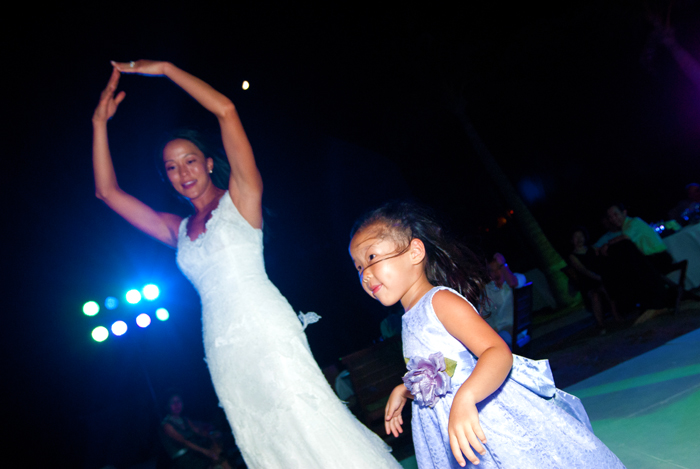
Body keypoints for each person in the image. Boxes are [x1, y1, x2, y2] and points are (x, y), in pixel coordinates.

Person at [93, 61, 401, 469]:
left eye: (189, 160)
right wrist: (99, 123)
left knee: (306, 419)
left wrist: (167, 69)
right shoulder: (176, 229)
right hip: (220, 344)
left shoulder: (241, 196)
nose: (183, 172)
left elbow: (226, 110)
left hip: (265, 326)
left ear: (208, 162)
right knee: (259, 437)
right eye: (171, 167)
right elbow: (107, 192)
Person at [349, 202, 625, 468]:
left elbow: (497, 352)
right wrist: (405, 389)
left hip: (484, 417)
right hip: (447, 428)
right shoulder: (409, 318)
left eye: (371, 258)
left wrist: (466, 397)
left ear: (415, 252)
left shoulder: (439, 301)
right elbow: (443, 369)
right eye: (359, 267)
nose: (365, 275)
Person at [568, 227, 622, 331]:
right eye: (576, 237)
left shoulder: (592, 249)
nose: (579, 239)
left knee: (608, 289)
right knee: (595, 296)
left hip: (599, 278)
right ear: (572, 240)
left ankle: (616, 315)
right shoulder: (572, 256)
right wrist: (599, 278)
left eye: (581, 236)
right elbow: (583, 270)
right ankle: (600, 323)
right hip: (587, 282)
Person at [160, 391, 232, 469]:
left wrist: (211, 435)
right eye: (173, 402)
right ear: (167, 405)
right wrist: (206, 452)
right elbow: (185, 442)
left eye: (179, 401)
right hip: (185, 459)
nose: (177, 405)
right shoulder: (166, 425)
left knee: (219, 449)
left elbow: (198, 431)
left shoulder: (185, 419)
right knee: (216, 457)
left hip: (195, 452)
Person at [482, 253, 526, 347]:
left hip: (514, 329)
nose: (496, 273)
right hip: (496, 331)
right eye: (492, 270)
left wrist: (503, 265)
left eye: (498, 268)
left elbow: (513, 283)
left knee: (500, 343)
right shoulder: (488, 289)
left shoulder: (518, 278)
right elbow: (484, 315)